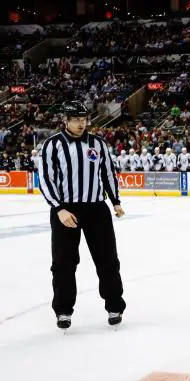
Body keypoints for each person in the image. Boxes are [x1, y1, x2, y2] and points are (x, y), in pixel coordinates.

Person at [38, 101, 126, 330]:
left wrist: (115, 200)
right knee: (63, 263)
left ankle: (114, 305)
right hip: (66, 210)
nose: (80, 123)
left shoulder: (97, 143)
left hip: (97, 209)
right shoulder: (52, 145)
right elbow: (46, 179)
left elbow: (108, 173)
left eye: (83, 119)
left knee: (107, 260)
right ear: (65, 120)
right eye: (75, 119)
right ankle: (63, 310)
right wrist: (58, 208)